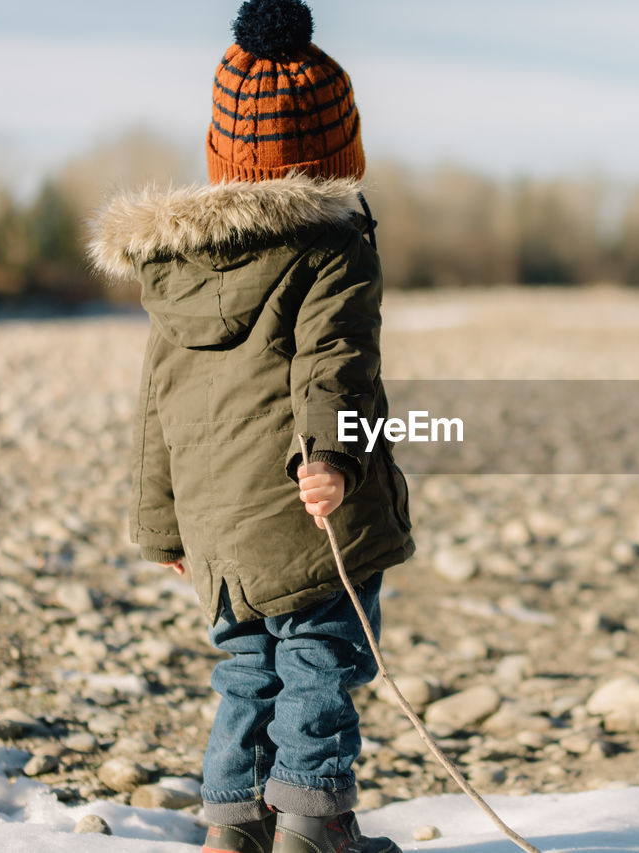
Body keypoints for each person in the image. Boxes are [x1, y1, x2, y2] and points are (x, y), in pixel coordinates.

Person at [87, 1, 414, 851]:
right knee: (318, 657)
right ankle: (312, 822)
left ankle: (233, 824)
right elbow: (331, 359)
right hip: (309, 508)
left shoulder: (178, 270)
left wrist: (160, 520)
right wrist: (334, 454)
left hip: (218, 526)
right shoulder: (333, 246)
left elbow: (156, 400)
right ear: (334, 157)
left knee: (244, 668)